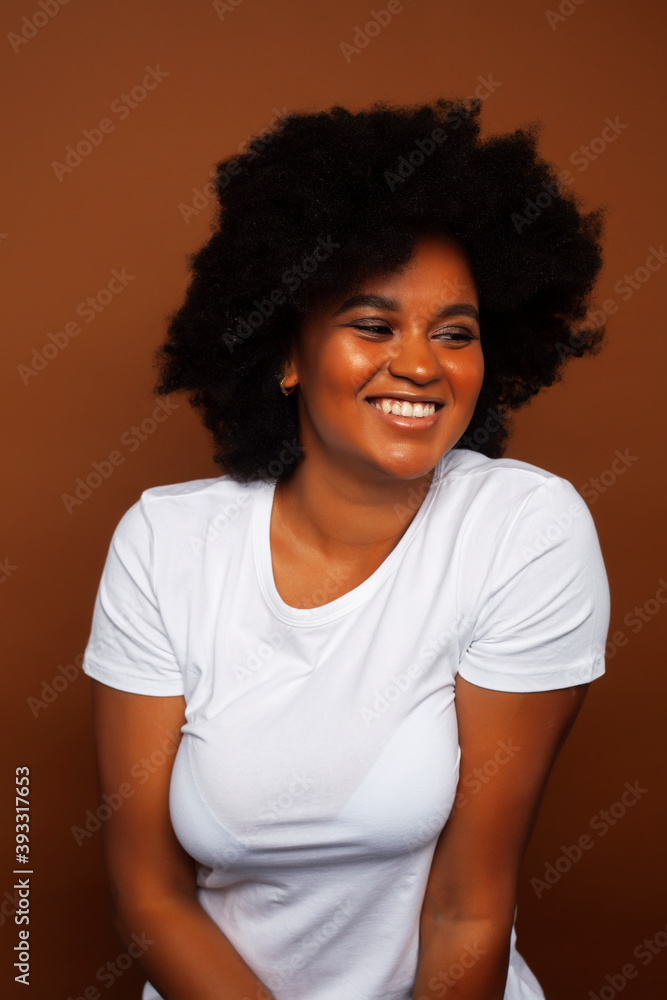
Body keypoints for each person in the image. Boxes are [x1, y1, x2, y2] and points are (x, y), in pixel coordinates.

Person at [82, 97, 611, 1000]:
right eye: (372, 326)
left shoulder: (525, 531)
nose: (419, 364)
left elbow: (467, 904)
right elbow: (151, 892)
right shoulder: (165, 544)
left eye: (455, 333)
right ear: (287, 355)